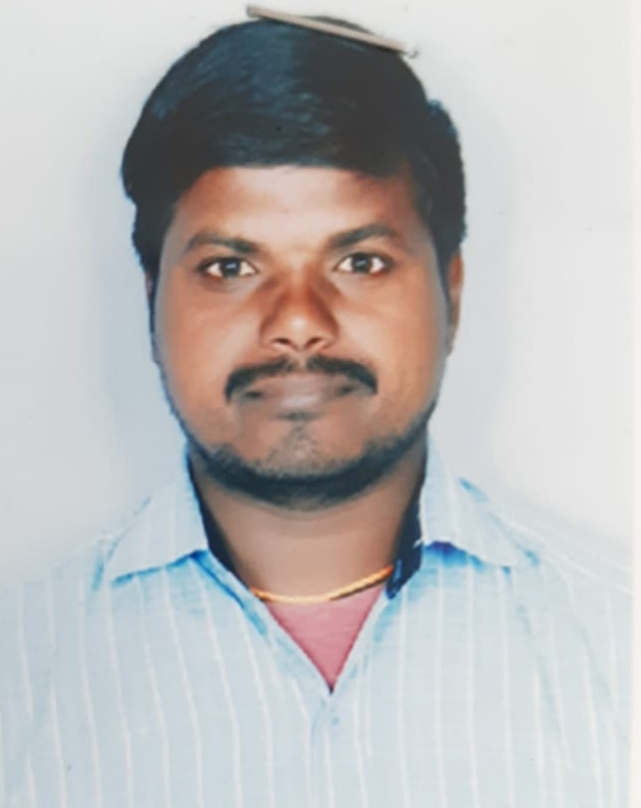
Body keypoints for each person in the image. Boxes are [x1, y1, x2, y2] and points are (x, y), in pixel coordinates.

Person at [0, 11, 630, 807]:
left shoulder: (616, 647)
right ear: (151, 300)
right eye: (230, 267)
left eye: (359, 262)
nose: (298, 321)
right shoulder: (22, 670)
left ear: (452, 292)